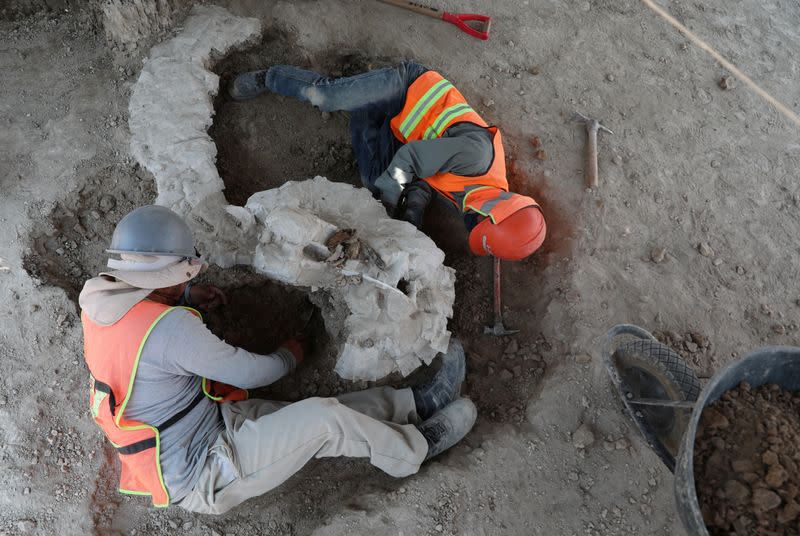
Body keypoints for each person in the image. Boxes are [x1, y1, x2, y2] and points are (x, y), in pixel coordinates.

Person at [79, 204, 475, 514]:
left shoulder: (99, 300)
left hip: (207, 423)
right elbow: (252, 372)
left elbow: (149, 336)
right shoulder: (170, 331)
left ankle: (414, 404)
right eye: (184, 275)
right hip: (205, 470)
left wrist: (181, 297)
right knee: (323, 419)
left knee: (315, 414)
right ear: (166, 276)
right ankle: (416, 449)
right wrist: (290, 355)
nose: (190, 279)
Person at [229, 61, 547, 261]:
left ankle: (362, 101)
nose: (470, 228)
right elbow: (409, 159)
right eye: (477, 227)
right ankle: (269, 77)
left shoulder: (478, 196)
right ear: (493, 212)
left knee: (371, 178)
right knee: (328, 97)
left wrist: (411, 209)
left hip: (407, 131)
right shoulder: (477, 160)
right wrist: (389, 201)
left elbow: (429, 170)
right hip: (408, 91)